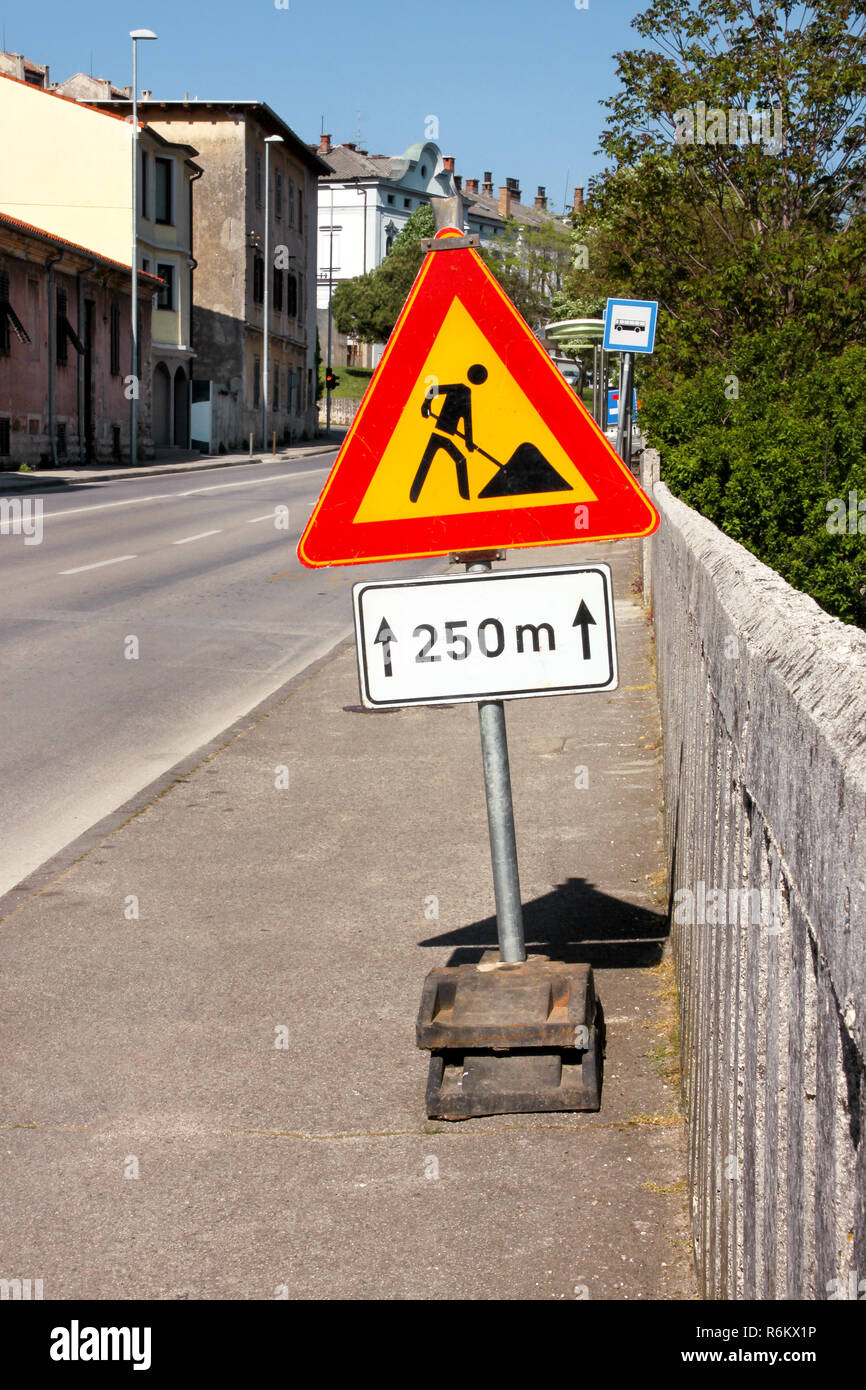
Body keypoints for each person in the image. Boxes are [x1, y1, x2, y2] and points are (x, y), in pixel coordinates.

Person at [409, 364, 488, 503]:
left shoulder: (465, 392)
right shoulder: (461, 389)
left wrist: (468, 441)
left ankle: (413, 497)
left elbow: (466, 420)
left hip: (443, 435)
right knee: (457, 461)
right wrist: (426, 404)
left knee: (432, 461)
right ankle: (465, 501)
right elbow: (433, 389)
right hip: (440, 434)